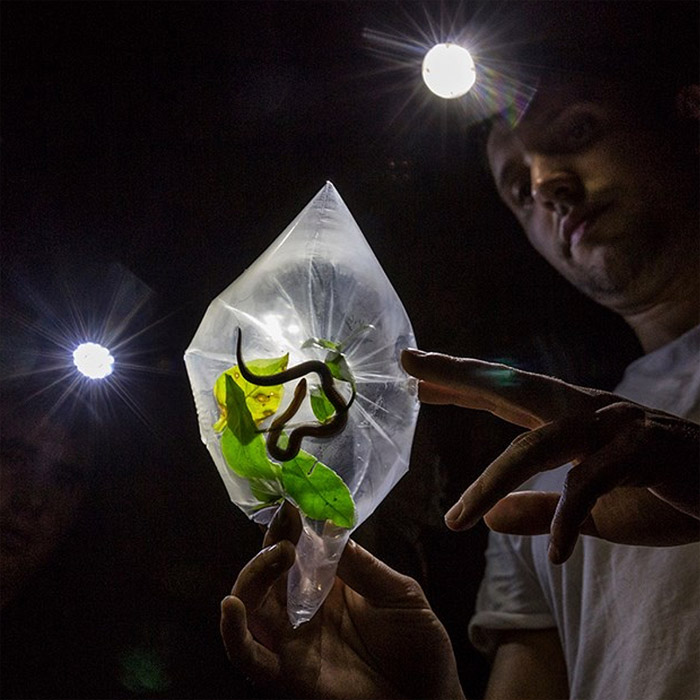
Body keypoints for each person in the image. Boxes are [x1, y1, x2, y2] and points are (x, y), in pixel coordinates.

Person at [219, 3, 699, 698]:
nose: (545, 185)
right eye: (516, 186)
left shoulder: (573, 449)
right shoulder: (541, 468)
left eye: (578, 130)